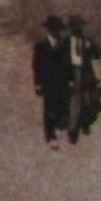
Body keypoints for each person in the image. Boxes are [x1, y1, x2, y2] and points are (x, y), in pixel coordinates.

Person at [32, 15, 70, 148]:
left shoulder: (65, 44)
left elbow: (69, 64)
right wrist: (37, 84)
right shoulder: (40, 46)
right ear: (48, 30)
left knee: (62, 106)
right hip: (48, 82)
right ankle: (51, 137)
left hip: (62, 82)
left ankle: (60, 125)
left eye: (58, 30)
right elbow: (37, 66)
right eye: (54, 29)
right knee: (48, 108)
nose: (56, 32)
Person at [66, 16, 101, 141]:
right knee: (74, 102)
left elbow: (98, 54)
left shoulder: (87, 41)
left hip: (85, 74)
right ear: (71, 28)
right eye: (75, 26)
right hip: (71, 73)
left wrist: (91, 46)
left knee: (89, 101)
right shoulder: (66, 42)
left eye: (80, 26)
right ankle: (73, 130)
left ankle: (84, 123)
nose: (78, 29)